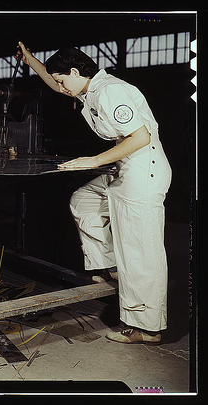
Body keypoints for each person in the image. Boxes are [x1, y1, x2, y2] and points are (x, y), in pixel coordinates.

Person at [17, 42, 171, 345]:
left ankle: (147, 328)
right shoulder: (87, 89)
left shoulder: (111, 91)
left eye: (62, 79)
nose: (60, 87)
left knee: (141, 252)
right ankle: (111, 265)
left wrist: (94, 161)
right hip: (123, 167)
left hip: (143, 171)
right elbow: (54, 80)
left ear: (75, 71)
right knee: (84, 201)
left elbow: (140, 137)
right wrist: (31, 60)